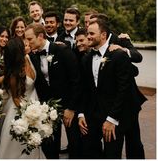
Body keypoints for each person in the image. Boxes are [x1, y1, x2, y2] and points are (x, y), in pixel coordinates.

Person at [78, 16, 142, 159]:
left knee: (112, 154)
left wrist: (112, 119)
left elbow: (123, 90)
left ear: (103, 35)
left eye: (91, 34)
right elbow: (85, 89)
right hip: (93, 115)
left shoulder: (118, 54)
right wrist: (81, 113)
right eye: (87, 33)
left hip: (114, 115)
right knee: (89, 151)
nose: (88, 36)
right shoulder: (87, 58)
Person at [25, 24, 81, 158]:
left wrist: (71, 108)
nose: (27, 42)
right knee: (49, 144)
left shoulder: (62, 50)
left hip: (68, 105)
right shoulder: (32, 56)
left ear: (40, 36)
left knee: (74, 142)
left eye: (30, 39)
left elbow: (76, 80)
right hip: (47, 107)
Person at [0, 37, 46, 159]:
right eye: (24, 45)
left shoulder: (28, 58)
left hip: (35, 103)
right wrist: (28, 116)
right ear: (18, 50)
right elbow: (16, 98)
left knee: (33, 141)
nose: (27, 45)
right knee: (17, 144)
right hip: (20, 110)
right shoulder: (14, 73)